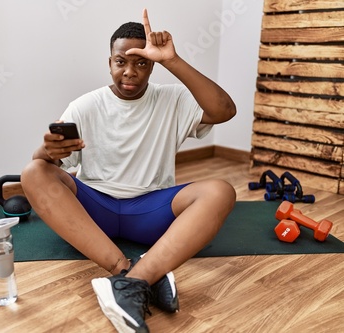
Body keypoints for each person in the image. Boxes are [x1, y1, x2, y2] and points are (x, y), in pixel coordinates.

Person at [21, 8, 236, 333]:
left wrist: (172, 60)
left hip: (152, 211)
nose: (130, 71)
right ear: (110, 63)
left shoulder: (173, 99)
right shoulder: (85, 106)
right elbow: (48, 163)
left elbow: (224, 110)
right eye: (122, 61)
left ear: (152, 66)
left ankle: (132, 281)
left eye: (141, 63)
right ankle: (128, 271)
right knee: (32, 171)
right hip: (95, 211)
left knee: (221, 190)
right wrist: (45, 151)